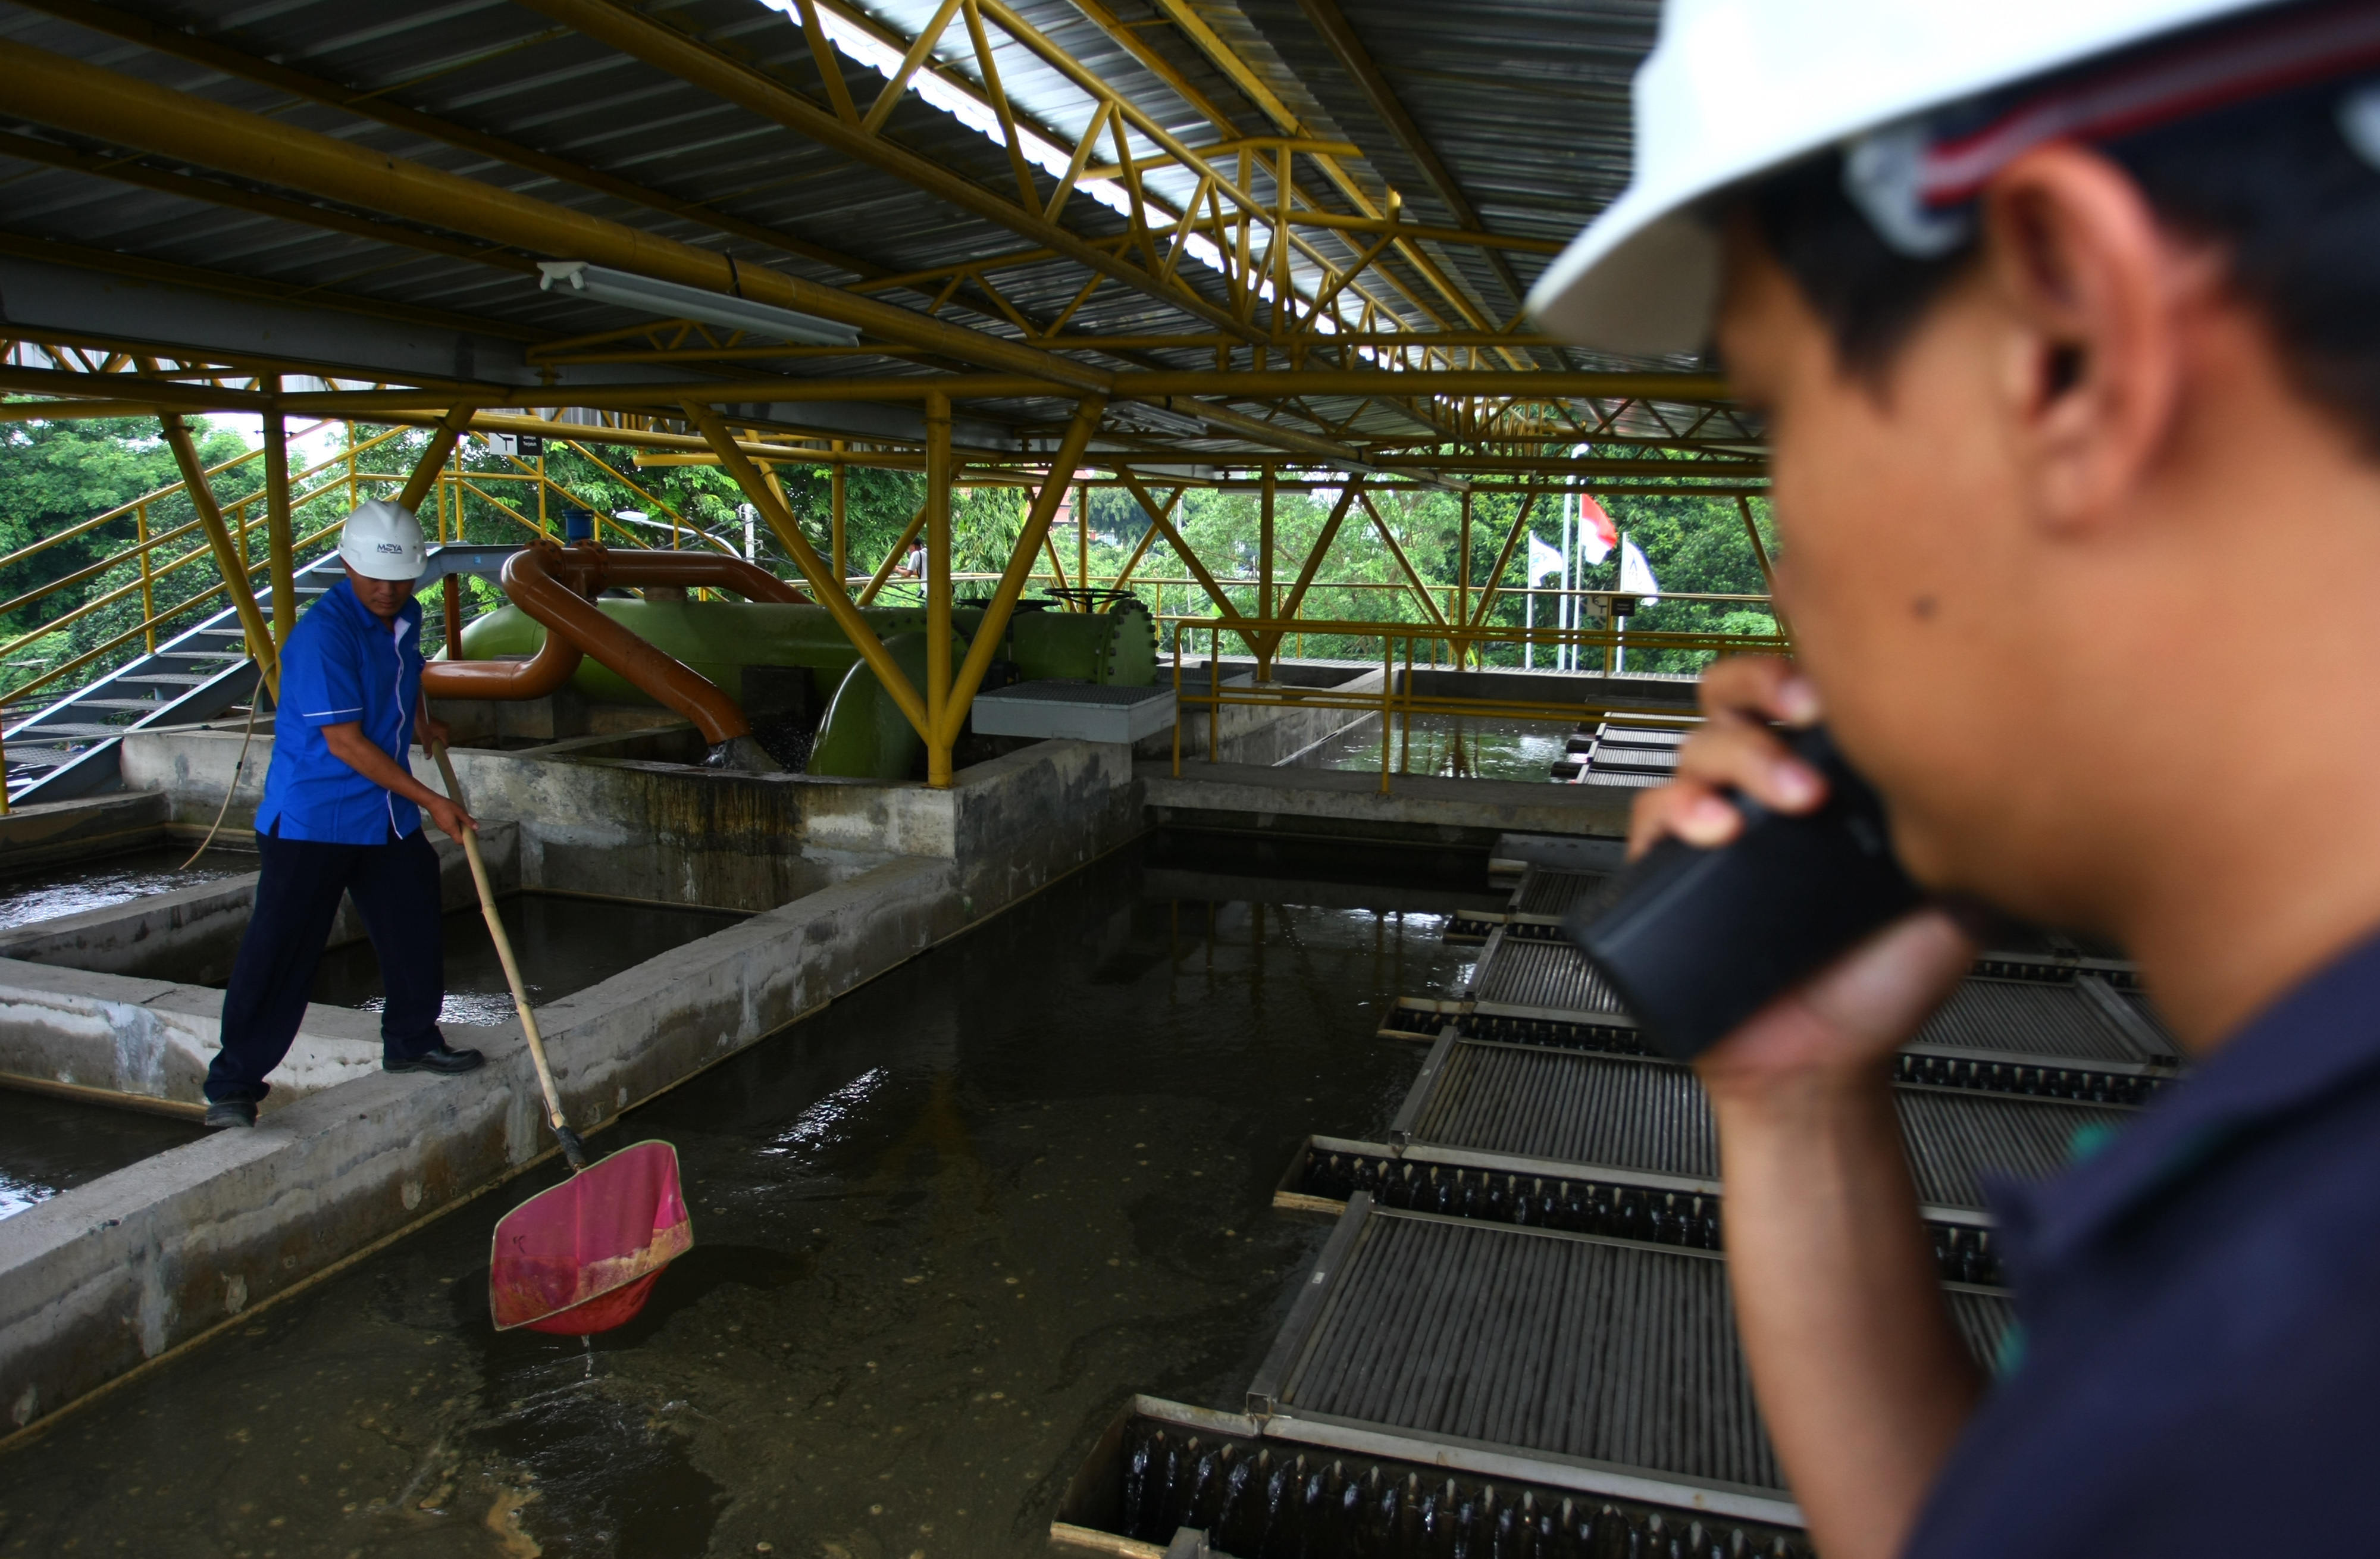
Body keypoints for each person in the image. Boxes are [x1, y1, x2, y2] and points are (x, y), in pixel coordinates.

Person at [1530, 2, 2380, 1555]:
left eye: (1775, 412)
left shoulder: (2302, 1356)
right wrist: (1796, 1105)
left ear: (2068, 340)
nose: (1786, 580)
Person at [202, 499, 485, 1129]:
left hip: (382, 815)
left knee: (412, 921)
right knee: (283, 947)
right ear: (350, 567)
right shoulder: (322, 637)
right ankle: (233, 1085)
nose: (388, 591)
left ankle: (412, 1040)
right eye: (376, 578)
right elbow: (346, 743)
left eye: (401, 578)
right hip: (316, 818)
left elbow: (400, 681)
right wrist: (433, 800)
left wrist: (420, 722)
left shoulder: (405, 616)